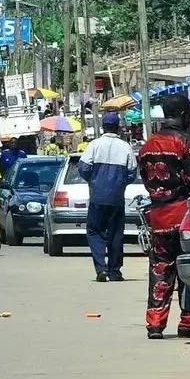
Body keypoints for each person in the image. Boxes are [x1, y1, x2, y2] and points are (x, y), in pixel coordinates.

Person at [137, 94, 190, 339]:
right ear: (183, 115)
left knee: (160, 270)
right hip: (183, 217)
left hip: (157, 217)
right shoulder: (186, 143)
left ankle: (155, 324)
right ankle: (189, 322)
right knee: (189, 269)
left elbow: (146, 179)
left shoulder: (147, 146)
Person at [79, 112, 138, 283]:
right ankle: (114, 270)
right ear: (118, 127)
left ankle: (101, 268)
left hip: (97, 197)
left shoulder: (94, 145)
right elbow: (132, 173)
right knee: (116, 234)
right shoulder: (125, 147)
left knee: (95, 231)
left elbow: (83, 168)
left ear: (103, 127)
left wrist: (94, 181)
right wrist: (120, 184)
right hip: (117, 198)